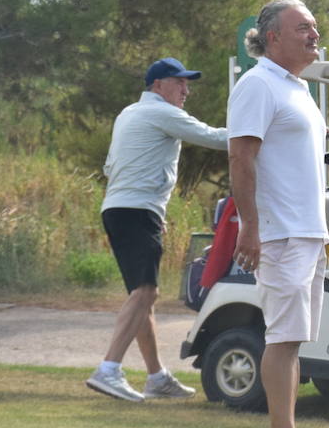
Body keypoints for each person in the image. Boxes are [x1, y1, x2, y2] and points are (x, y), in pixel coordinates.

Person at [86, 57, 229, 402]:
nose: (186, 90)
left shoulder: (129, 113)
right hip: (135, 211)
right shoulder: (159, 112)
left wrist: (146, 200)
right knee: (145, 293)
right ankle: (108, 370)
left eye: (186, 83)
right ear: (157, 85)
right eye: (179, 82)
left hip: (123, 209)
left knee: (143, 296)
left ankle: (157, 377)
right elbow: (214, 137)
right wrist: (264, 133)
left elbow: (110, 165)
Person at [227, 0, 329, 428]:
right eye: (303, 27)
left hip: (308, 232)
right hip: (279, 232)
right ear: (273, 37)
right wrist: (249, 226)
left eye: (314, 27)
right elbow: (240, 157)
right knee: (282, 336)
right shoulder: (258, 85)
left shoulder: (298, 88)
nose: (314, 34)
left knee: (293, 340)